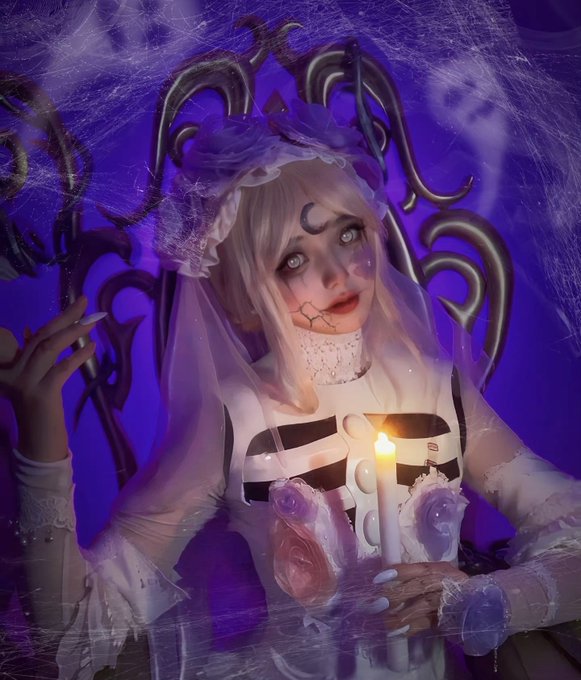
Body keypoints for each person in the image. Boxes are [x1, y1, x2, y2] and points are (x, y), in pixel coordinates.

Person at [3, 101, 581, 680]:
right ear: (241, 301)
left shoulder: (437, 389)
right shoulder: (236, 418)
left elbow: (573, 531)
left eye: (348, 232)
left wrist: (487, 602)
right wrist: (40, 438)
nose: (338, 273)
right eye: (293, 259)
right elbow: (72, 639)